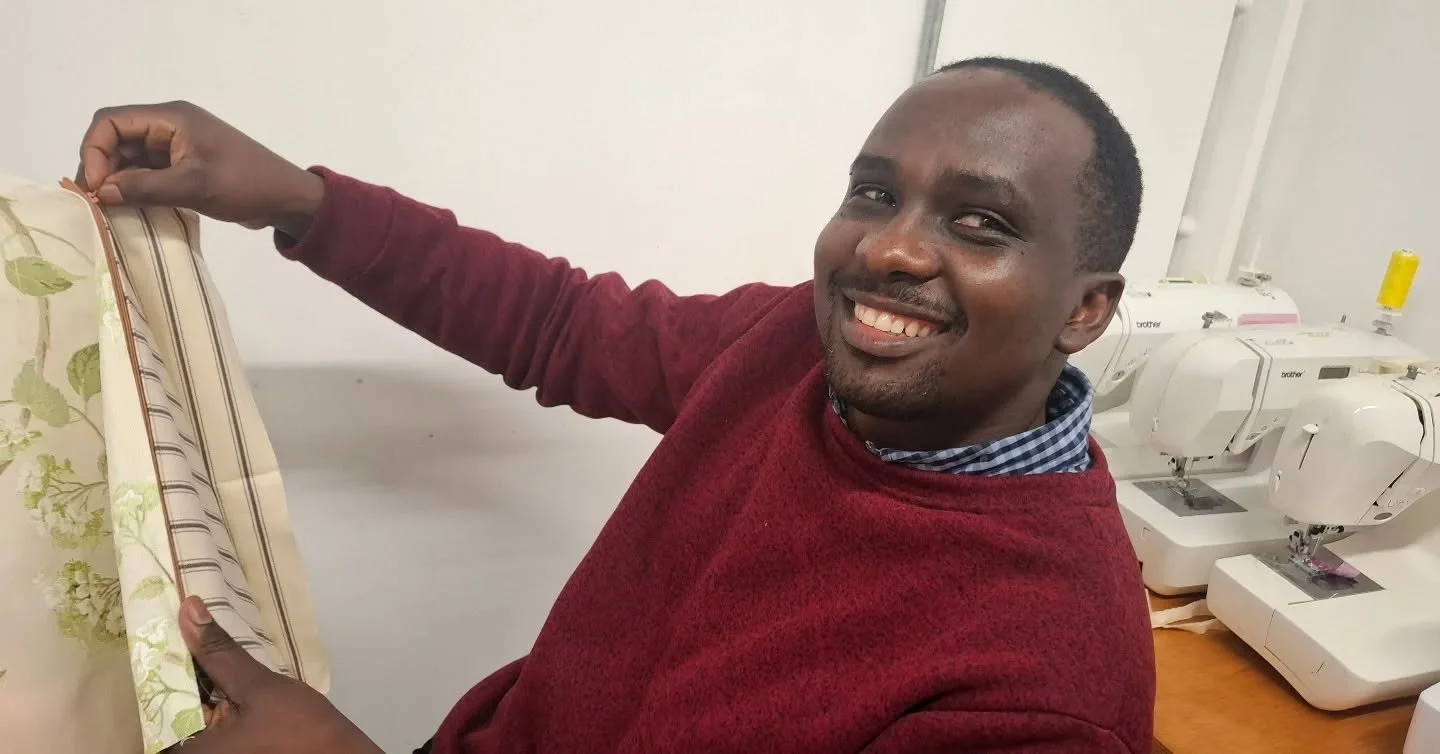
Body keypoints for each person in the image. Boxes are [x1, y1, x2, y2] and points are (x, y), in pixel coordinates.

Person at [81, 56, 1154, 754]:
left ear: (1086, 309)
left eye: (980, 224)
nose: (890, 247)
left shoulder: (1042, 696)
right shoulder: (794, 346)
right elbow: (562, 324)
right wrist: (295, 198)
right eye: (876, 193)